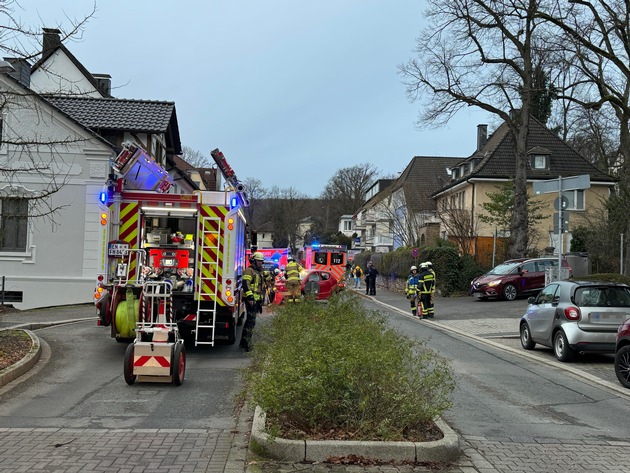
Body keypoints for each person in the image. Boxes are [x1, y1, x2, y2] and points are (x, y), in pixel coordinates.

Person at [239, 251, 265, 351]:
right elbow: (246, 284)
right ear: (254, 261)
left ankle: (243, 343)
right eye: (259, 261)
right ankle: (246, 344)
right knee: (250, 322)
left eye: (262, 262)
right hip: (251, 300)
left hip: (255, 300)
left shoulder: (258, 271)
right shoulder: (249, 271)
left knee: (250, 322)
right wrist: (250, 298)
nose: (261, 263)